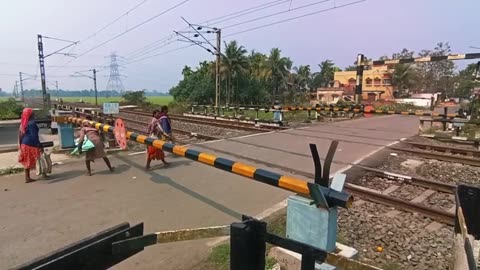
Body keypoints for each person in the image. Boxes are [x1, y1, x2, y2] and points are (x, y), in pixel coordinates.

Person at [18, 108, 42, 183]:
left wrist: (20, 145)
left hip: (24, 144)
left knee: (27, 161)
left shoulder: (23, 123)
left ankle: (27, 177)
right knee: (38, 158)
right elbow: (34, 136)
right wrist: (39, 145)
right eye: (33, 113)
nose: (34, 114)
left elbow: (20, 135)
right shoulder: (32, 123)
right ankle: (43, 172)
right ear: (31, 115)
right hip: (30, 144)